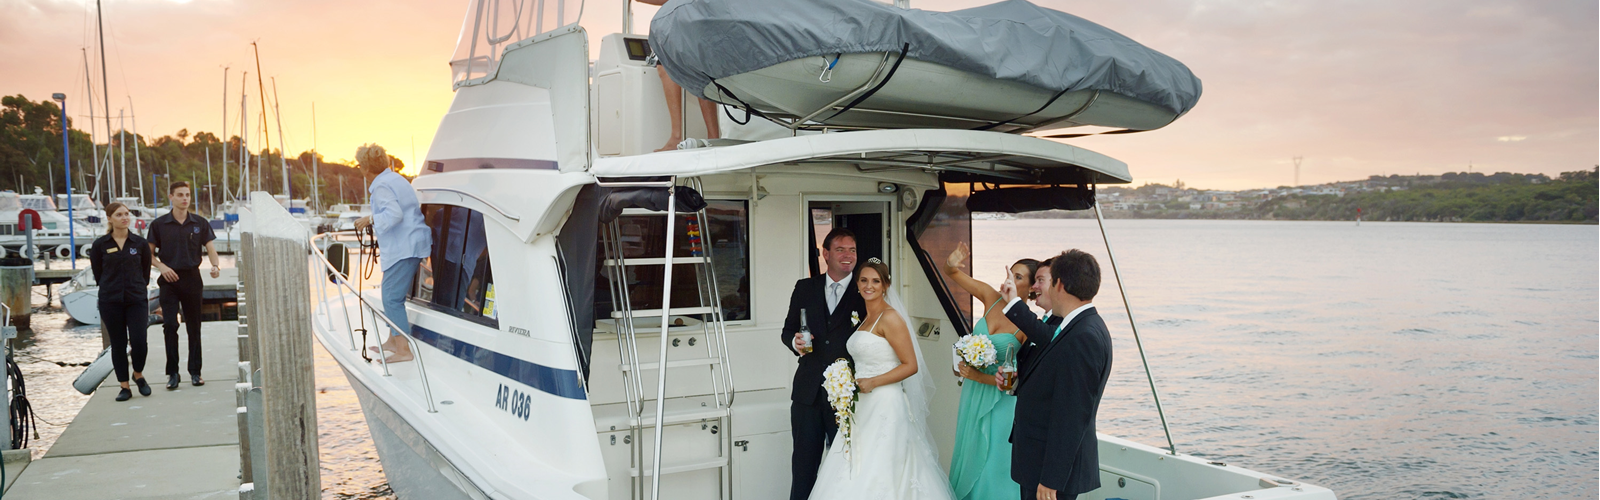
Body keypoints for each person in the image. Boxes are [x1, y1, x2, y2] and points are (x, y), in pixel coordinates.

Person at [809, 259, 954, 500]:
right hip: (861, 405)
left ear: (885, 285)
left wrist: (873, 382)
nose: (869, 286)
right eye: (864, 280)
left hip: (885, 403)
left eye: (876, 281)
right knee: (853, 463)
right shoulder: (865, 318)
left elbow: (911, 365)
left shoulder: (890, 318)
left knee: (882, 467)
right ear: (857, 284)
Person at [999, 250, 1113, 500]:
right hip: (1037, 462)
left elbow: (1072, 416)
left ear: (1059, 284)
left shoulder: (1083, 336)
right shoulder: (1074, 326)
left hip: (1049, 474)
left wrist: (1051, 479)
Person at [943, 241, 1038, 500]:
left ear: (1031, 289)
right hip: (972, 394)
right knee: (968, 449)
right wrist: (952, 262)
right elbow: (951, 273)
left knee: (993, 461)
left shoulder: (1029, 324)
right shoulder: (990, 297)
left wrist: (977, 376)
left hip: (1000, 402)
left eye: (1017, 277)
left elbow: (1015, 380)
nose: (1008, 279)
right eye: (1009, 273)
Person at [781, 227, 867, 500]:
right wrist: (794, 343)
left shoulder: (865, 289)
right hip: (807, 395)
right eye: (840, 249)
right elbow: (787, 330)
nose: (848, 256)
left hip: (847, 397)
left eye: (852, 250)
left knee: (845, 467)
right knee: (803, 469)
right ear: (825, 254)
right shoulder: (804, 287)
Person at [353, 144, 432, 363]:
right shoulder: (395, 179)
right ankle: (392, 340)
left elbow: (394, 214)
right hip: (410, 244)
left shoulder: (381, 187)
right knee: (391, 295)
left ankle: (403, 350)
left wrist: (370, 219)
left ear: (366, 168)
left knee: (391, 298)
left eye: (360, 165)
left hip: (404, 248)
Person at [148, 182, 220, 389]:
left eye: (187, 195)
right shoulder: (159, 224)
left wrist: (215, 266)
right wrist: (161, 267)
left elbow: (210, 247)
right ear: (171, 197)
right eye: (180, 195)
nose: (185, 198)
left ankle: (195, 372)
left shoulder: (199, 223)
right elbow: (149, 254)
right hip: (169, 280)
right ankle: (172, 373)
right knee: (170, 325)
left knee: (194, 327)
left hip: (192, 279)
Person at [636, 0, 725, 152]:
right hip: (692, 22)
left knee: (684, 64)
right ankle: (688, 136)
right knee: (666, 65)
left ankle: (708, 137)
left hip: (700, 22)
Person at [90, 203, 153, 402]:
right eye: (119, 215)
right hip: (111, 301)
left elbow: (146, 272)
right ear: (109, 218)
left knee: (139, 341)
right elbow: (98, 273)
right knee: (118, 344)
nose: (125, 217)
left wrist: (137, 288)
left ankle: (138, 374)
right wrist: (112, 287)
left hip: (136, 300)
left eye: (127, 214)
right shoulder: (100, 245)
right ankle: (124, 386)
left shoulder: (139, 244)